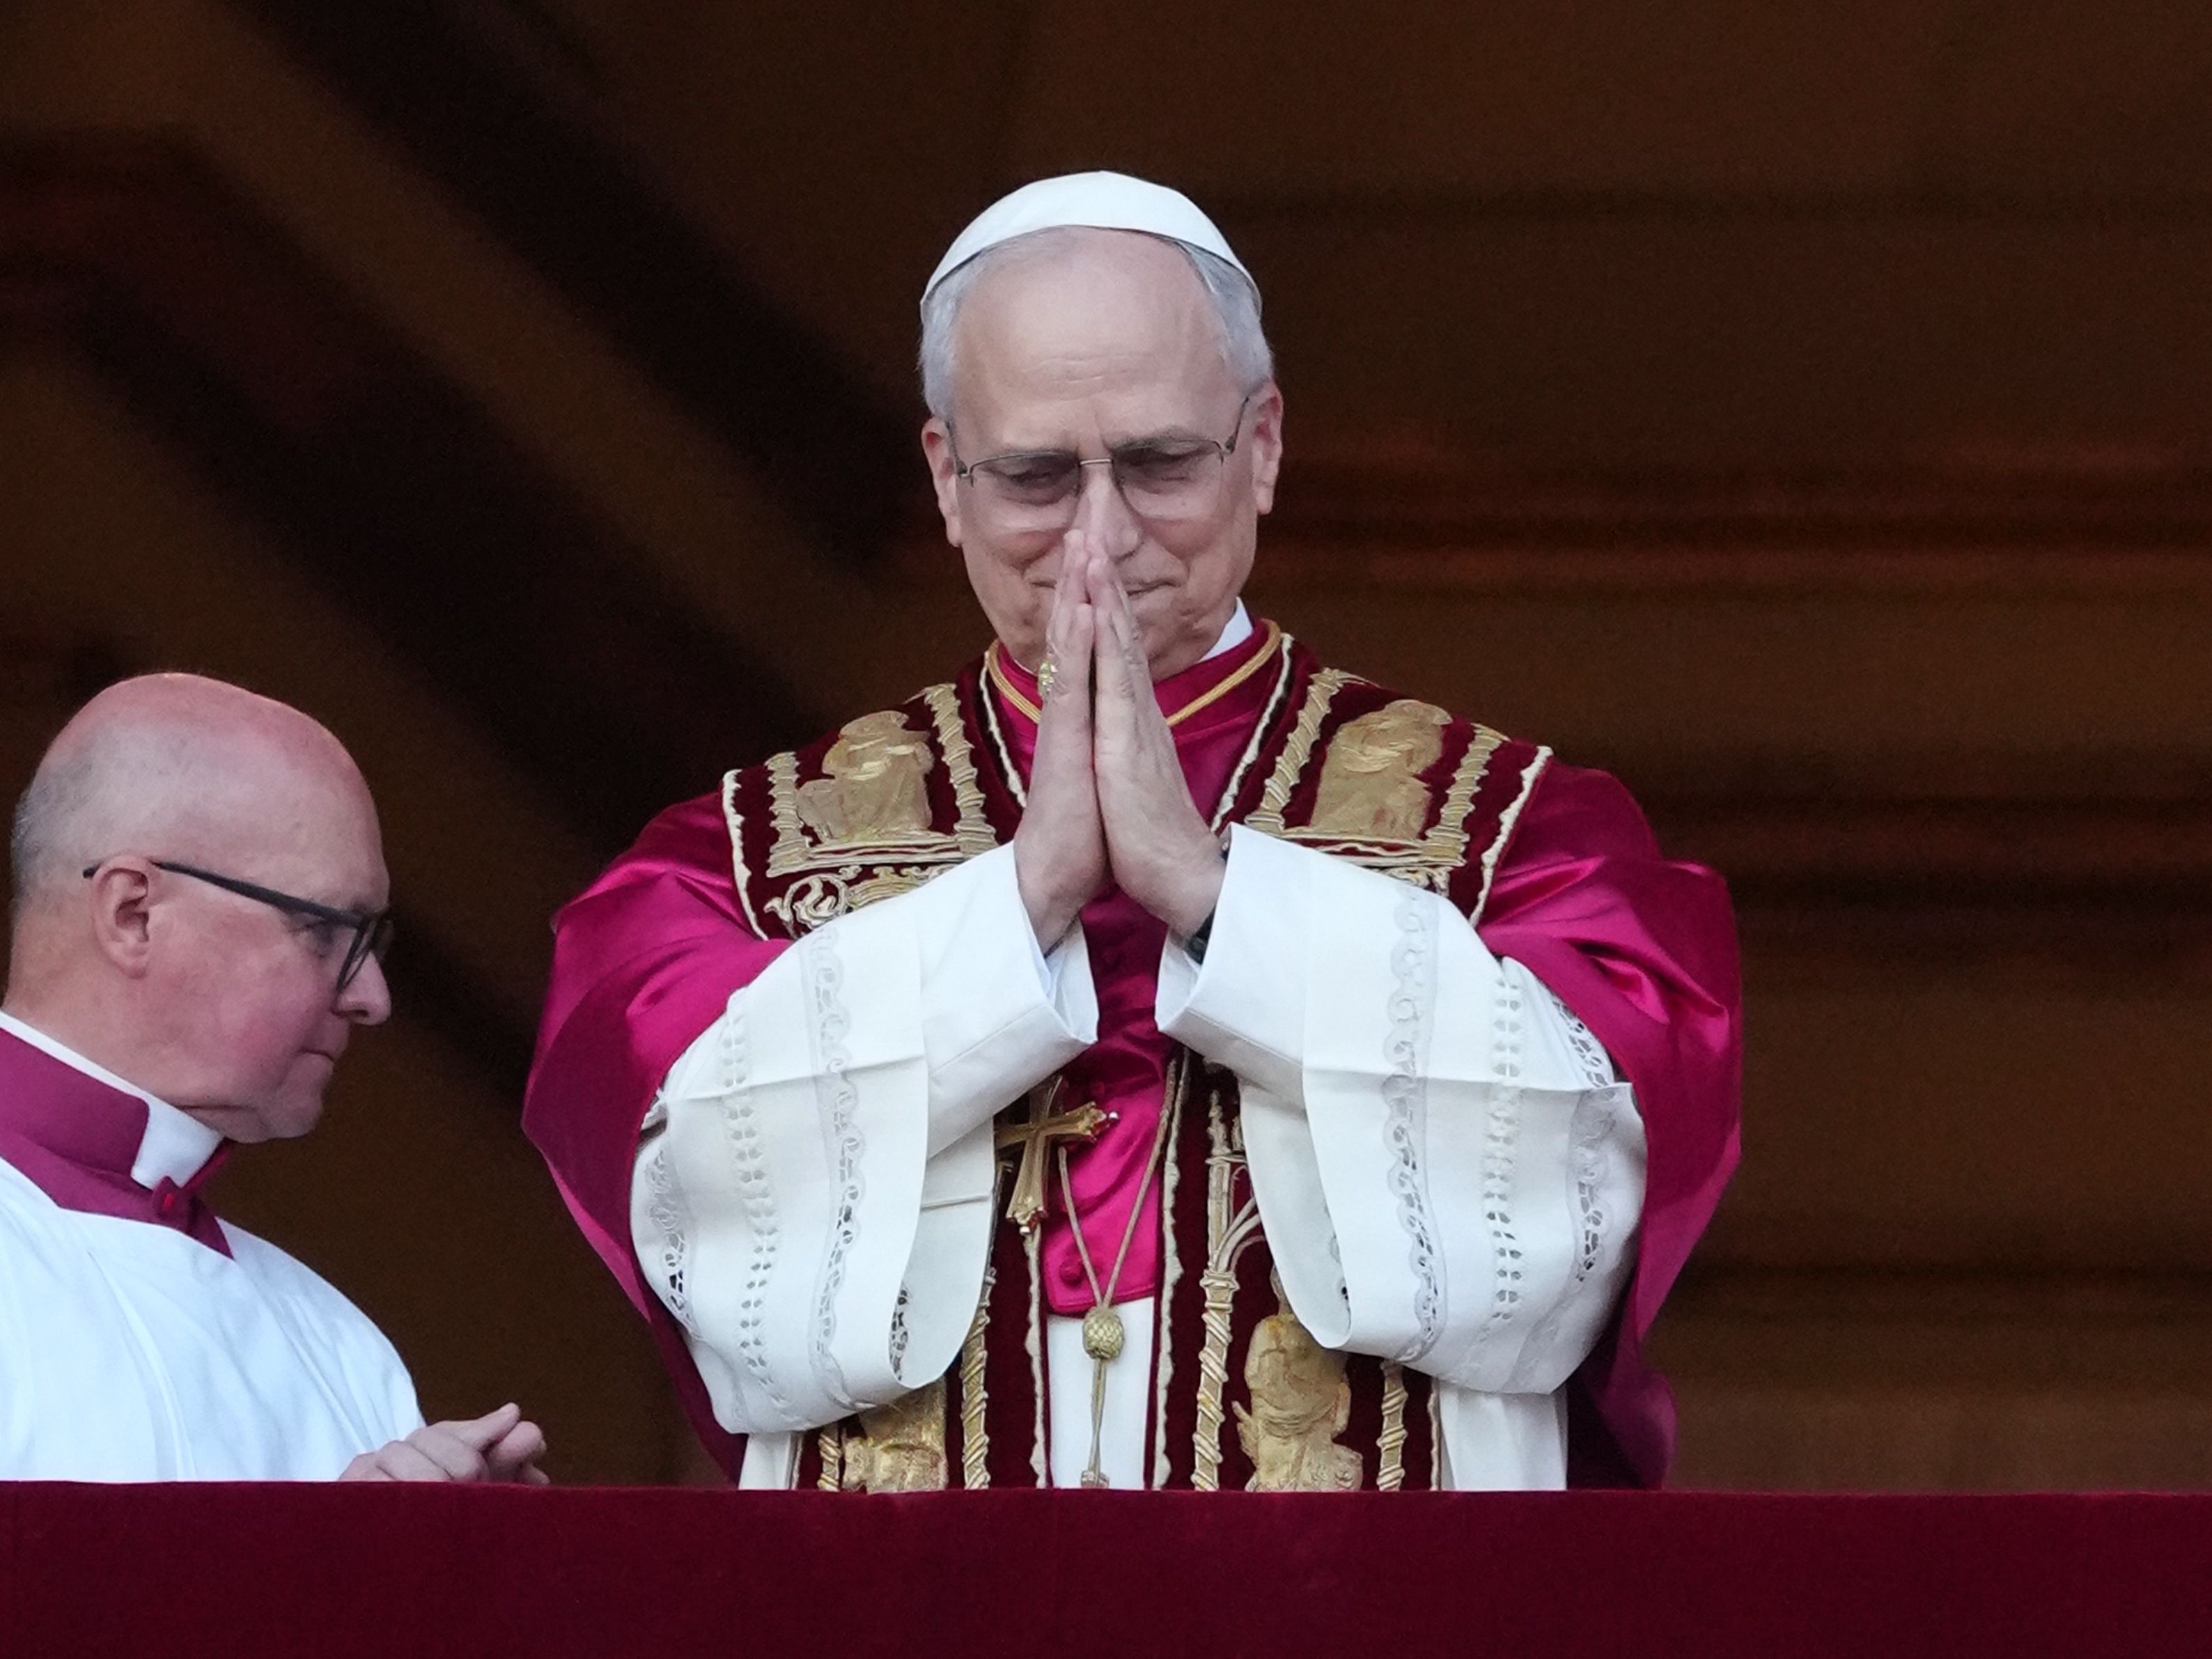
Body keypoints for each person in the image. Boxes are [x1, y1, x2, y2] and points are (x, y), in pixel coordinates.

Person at [525, 172, 1741, 1491]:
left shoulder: (1518, 836)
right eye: (1035, 476)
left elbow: (1591, 1196)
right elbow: (681, 1201)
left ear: (1263, 445)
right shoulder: (742, 865)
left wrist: (1223, 903)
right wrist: (1019, 904)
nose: (1098, 539)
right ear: (944, 475)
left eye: (1160, 464)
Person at [0, 671, 547, 1483]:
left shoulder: (335, 1344)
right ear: (133, 914)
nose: (372, 998)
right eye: (326, 930)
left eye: (372, 943)